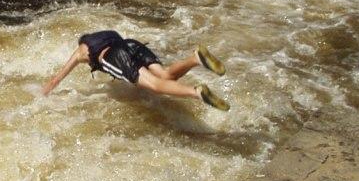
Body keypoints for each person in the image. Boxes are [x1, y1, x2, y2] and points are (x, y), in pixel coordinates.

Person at [42, 30, 230, 111]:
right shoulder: (106, 33)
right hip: (131, 44)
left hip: (113, 56)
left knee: (156, 85)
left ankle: (196, 93)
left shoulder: (81, 50)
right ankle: (195, 59)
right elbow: (125, 49)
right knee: (164, 74)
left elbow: (55, 80)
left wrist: (41, 95)